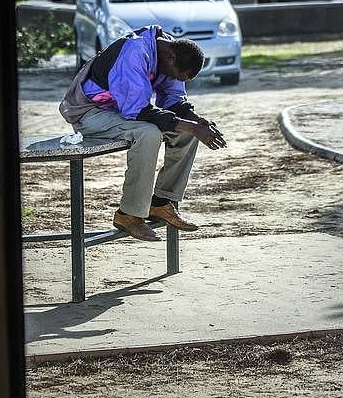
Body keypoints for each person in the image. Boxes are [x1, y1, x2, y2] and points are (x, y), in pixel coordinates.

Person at [59, 23, 227, 241]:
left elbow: (174, 101)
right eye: (178, 76)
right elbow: (138, 110)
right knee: (148, 133)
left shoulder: (168, 52)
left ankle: (160, 203)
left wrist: (198, 123)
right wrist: (191, 126)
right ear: (171, 59)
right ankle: (128, 215)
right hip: (88, 114)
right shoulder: (135, 52)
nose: (176, 80)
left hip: (120, 111)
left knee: (187, 132)